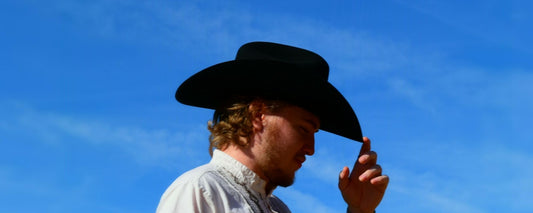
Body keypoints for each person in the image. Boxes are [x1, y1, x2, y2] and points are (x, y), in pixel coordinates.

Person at [157, 41, 389, 213]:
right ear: (258, 115)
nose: (311, 148)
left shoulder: (279, 209)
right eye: (304, 129)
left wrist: (360, 211)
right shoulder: (200, 190)